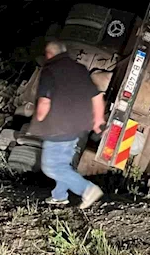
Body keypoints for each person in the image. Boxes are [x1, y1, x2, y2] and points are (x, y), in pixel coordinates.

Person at [29, 40, 105, 209]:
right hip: (77, 127)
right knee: (62, 164)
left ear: (49, 54)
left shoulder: (50, 70)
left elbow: (44, 102)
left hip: (58, 126)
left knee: (51, 167)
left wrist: (39, 119)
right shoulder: (80, 69)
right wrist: (98, 119)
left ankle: (87, 189)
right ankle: (59, 196)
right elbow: (97, 96)